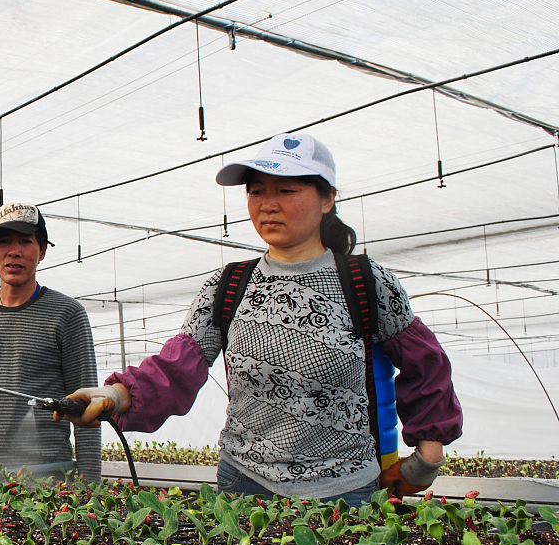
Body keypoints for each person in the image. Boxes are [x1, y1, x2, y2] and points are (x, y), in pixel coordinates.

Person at [61, 134, 461, 506]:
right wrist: (114, 395)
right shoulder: (228, 285)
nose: (267, 204)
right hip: (244, 484)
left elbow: (426, 364)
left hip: (345, 489)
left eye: (286, 191)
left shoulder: (364, 281)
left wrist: (428, 454)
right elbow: (175, 368)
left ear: (328, 199)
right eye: (256, 192)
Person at [0, 202, 101, 481]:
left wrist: (91, 486)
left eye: (25, 241)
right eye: (4, 242)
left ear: (42, 251)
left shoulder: (67, 314)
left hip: (44, 476)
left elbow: (87, 407)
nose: (14, 251)